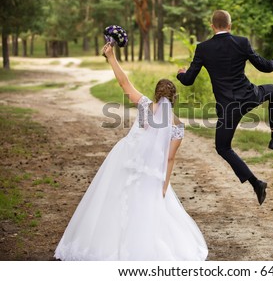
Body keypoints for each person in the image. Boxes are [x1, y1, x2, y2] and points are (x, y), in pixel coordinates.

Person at [54, 43, 208, 261]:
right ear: (174, 99)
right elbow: (170, 158)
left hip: (126, 161)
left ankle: (110, 244)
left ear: (155, 94)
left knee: (115, 203)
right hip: (153, 172)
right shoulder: (177, 127)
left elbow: (123, 82)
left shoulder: (145, 105)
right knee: (146, 209)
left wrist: (111, 56)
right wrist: (163, 186)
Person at [177, 10, 273, 206]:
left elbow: (188, 81)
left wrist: (181, 73)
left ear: (212, 26)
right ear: (230, 26)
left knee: (223, 147)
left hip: (229, 107)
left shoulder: (203, 48)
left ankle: (256, 183)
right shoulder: (242, 42)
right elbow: (265, 67)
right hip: (249, 96)